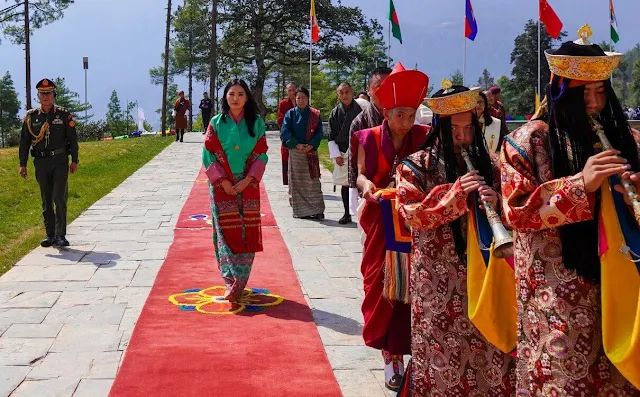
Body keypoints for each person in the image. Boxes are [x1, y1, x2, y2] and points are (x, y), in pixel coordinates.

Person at [500, 26, 640, 395]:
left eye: (600, 93)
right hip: (559, 291)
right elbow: (516, 212)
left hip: (622, 280)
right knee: (563, 381)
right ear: (562, 93)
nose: (594, 105)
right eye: (584, 95)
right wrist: (581, 184)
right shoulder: (529, 141)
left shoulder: (629, 139)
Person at [396, 80, 516, 396]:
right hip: (438, 283)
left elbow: (514, 211)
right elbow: (412, 214)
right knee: (442, 359)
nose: (462, 137)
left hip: (486, 276)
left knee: (491, 353)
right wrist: (455, 193)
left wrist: (497, 204)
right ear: (440, 127)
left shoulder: (490, 164)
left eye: (468, 129)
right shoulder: (415, 166)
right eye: (454, 130)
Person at [350, 62, 430, 391]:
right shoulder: (365, 137)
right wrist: (368, 186)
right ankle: (391, 356)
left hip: (415, 223)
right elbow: (360, 174)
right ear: (386, 111)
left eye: (411, 115)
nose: (406, 122)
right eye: (400, 115)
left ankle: (414, 351)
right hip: (381, 222)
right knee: (382, 287)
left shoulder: (425, 137)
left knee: (416, 287)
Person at [202, 79, 268, 302]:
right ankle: (230, 282)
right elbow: (208, 154)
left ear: (247, 97)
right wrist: (224, 182)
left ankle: (240, 282)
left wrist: (248, 179)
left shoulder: (256, 122)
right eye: (232, 94)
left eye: (241, 94)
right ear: (225, 97)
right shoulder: (216, 122)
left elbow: (261, 153)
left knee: (246, 231)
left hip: (248, 183)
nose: (236, 98)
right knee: (225, 231)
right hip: (222, 185)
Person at [18, 78, 79, 248]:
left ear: (54, 95)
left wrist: (74, 159)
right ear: (38, 96)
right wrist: (22, 164)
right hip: (41, 162)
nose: (46, 97)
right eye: (42, 94)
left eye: (49, 93)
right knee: (46, 200)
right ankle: (50, 234)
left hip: (59, 161)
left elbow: (72, 139)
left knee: (59, 198)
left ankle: (60, 235)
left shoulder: (64, 115)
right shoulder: (31, 117)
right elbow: (24, 142)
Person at [281, 87, 325, 220]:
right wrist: (297, 144)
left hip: (310, 152)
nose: (301, 100)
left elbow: (319, 132)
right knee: (297, 182)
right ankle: (301, 211)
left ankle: (317, 210)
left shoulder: (315, 114)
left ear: (308, 99)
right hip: (296, 151)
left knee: (313, 181)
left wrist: (311, 144)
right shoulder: (290, 114)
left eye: (303, 98)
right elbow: (285, 131)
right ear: (295, 99)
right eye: (298, 98)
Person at [328, 82, 362, 224]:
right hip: (342, 150)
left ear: (352, 92)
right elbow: (331, 135)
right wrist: (336, 155)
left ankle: (362, 213)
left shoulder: (360, 110)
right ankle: (346, 213)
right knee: (344, 183)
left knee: (360, 182)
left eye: (346, 92)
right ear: (338, 95)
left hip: (358, 150)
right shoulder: (335, 112)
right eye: (341, 93)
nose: (344, 95)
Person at [277, 83, 297, 185]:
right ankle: (287, 180)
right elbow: (280, 118)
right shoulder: (284, 103)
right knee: (286, 155)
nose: (292, 92)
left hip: (299, 133)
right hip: (287, 132)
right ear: (286, 91)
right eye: (289, 90)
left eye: (293, 90)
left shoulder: (300, 101)